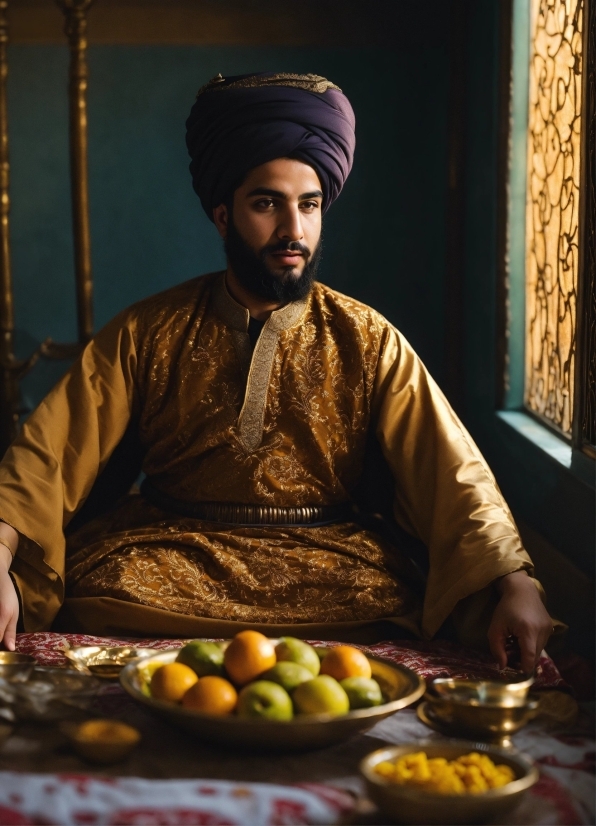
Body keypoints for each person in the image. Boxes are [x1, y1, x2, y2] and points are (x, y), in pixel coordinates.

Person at [0, 72, 553, 673]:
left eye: (309, 205)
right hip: (169, 553)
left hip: (332, 566)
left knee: (403, 598)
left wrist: (515, 581)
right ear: (222, 215)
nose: (293, 230)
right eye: (267, 203)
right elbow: (49, 454)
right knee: (101, 588)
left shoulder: (366, 337)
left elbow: (450, 472)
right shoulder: (148, 330)